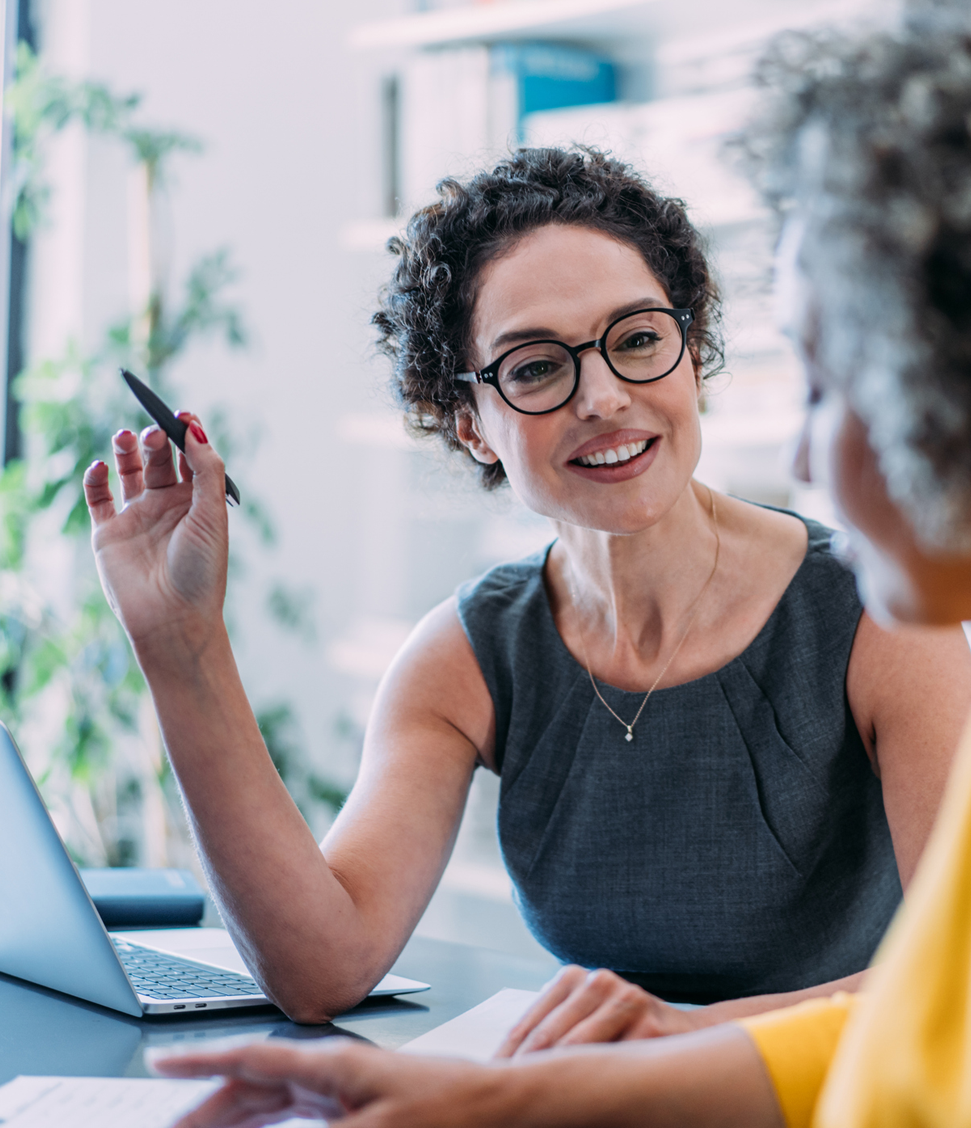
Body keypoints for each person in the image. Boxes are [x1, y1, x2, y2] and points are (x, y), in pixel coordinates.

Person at [150, 11, 971, 1127]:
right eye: (537, 367)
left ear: (695, 348)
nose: (601, 397)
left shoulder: (881, 611)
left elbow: (948, 1006)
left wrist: (662, 1050)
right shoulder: (474, 649)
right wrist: (181, 642)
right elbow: (322, 963)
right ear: (469, 422)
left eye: (637, 339)